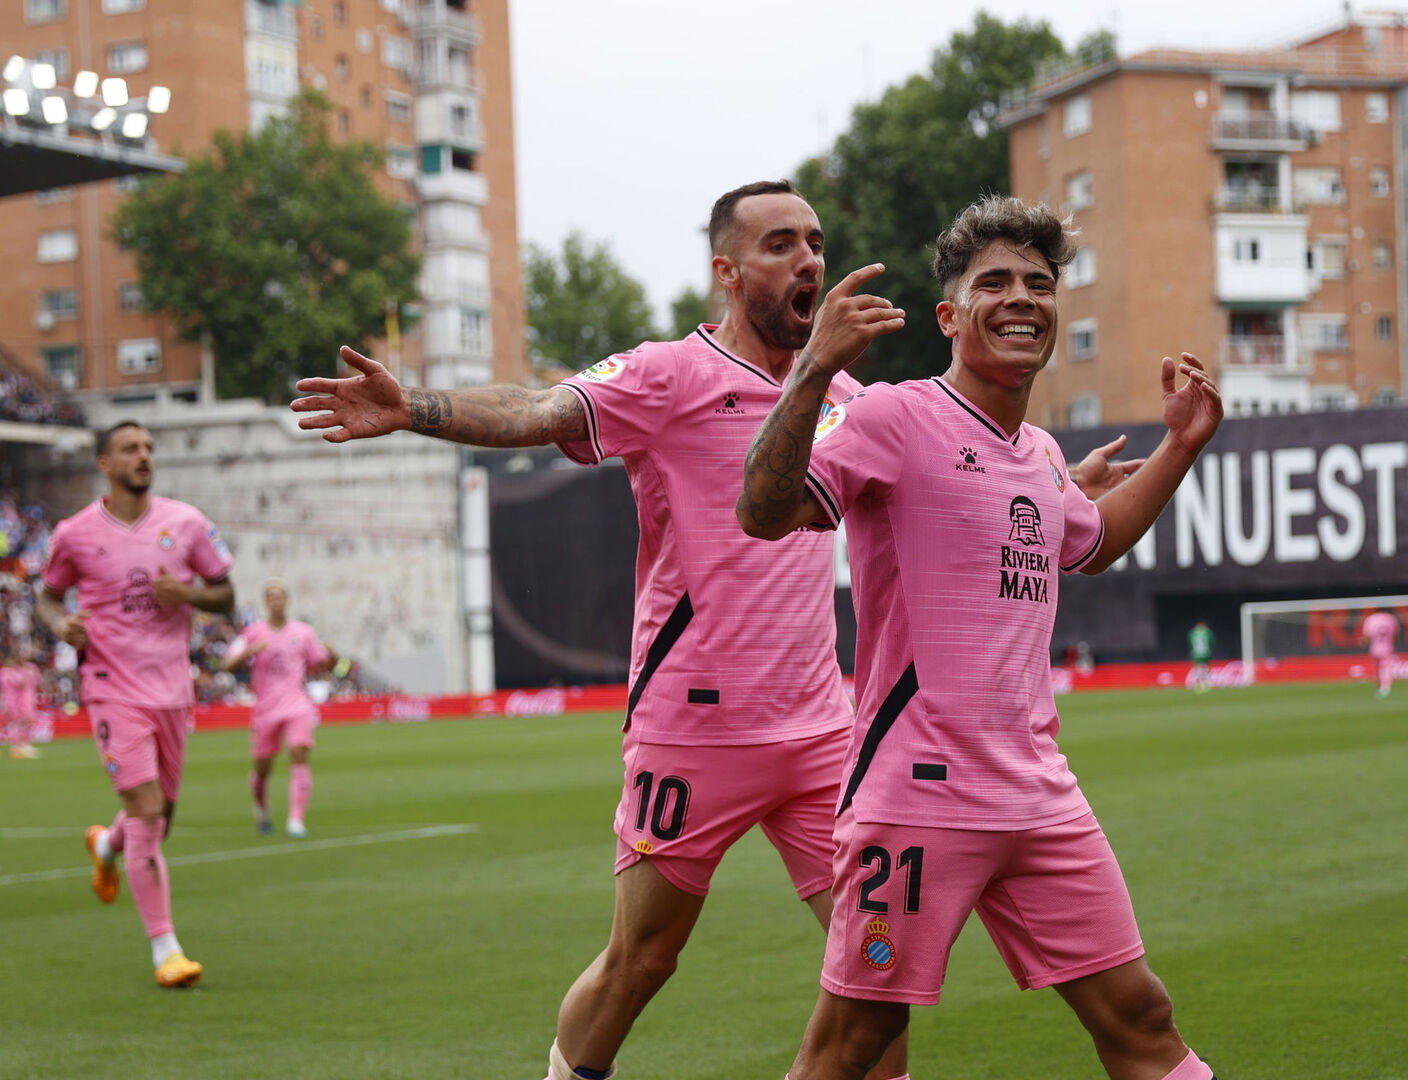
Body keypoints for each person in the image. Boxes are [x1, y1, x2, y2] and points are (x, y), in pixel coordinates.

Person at [292, 178, 1139, 1080]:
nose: (808, 259)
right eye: (779, 244)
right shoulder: (669, 374)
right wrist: (415, 408)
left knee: (877, 996)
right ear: (727, 271)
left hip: (824, 735)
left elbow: (949, 485)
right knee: (642, 962)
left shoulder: (845, 394)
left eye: (813, 241)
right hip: (695, 730)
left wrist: (1049, 491)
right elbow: (540, 410)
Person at [739, 194, 1223, 1080]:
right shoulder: (894, 416)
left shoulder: (1037, 451)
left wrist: (1178, 448)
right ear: (949, 316)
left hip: (1038, 795)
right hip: (917, 798)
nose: (1021, 298)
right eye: (993, 282)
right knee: (852, 1047)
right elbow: (763, 510)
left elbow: (1093, 539)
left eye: (1038, 284)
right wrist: (811, 372)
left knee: (1142, 1017)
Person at [37, 420, 237, 987]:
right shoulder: (73, 533)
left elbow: (226, 595)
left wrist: (189, 594)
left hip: (172, 690)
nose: (143, 456)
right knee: (149, 812)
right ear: (105, 463)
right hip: (110, 686)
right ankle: (166, 951)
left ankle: (106, 843)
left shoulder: (187, 522)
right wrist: (62, 625)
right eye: (130, 449)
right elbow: (46, 601)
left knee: (159, 820)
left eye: (149, 447)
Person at [222, 580, 334, 838]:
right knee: (263, 768)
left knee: (299, 753)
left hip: (297, 703)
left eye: (281, 596)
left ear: (287, 600)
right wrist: (249, 652)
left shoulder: (303, 632)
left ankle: (296, 819)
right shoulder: (253, 632)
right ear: (266, 602)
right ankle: (261, 809)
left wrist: (330, 655)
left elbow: (321, 660)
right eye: (272, 597)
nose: (277, 601)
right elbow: (227, 664)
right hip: (266, 708)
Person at [2, 641, 41, 759]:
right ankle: (17, 746)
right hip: (14, 701)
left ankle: (25, 744)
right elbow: (19, 683)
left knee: (27, 721)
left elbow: (35, 679)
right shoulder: (7, 672)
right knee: (17, 723)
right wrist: (27, 675)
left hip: (27, 699)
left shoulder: (28, 668)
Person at [1360, 608, 1400, 699]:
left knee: (1377, 668)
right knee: (1385, 668)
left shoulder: (1370, 619)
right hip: (1387, 647)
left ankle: (1379, 686)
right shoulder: (1390, 618)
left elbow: (1367, 636)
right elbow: (1396, 634)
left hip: (1374, 647)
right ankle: (1385, 687)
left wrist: (1363, 642)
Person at [1184, 621, 1214, 694]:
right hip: (1206, 653)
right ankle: (1205, 684)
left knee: (1197, 668)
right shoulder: (1208, 632)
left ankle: (1194, 684)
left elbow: (1189, 642)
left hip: (1196, 653)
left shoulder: (1192, 632)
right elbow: (1211, 642)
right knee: (1205, 668)